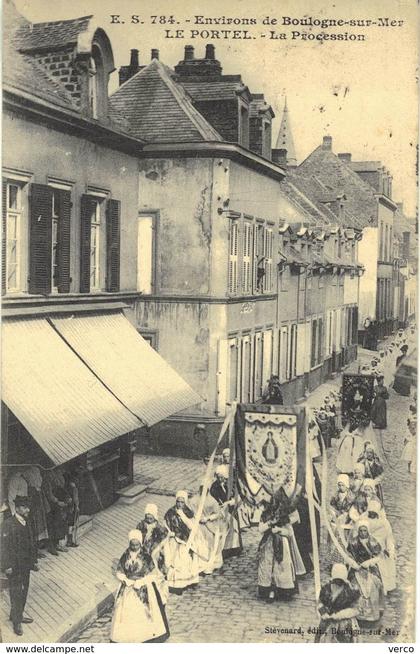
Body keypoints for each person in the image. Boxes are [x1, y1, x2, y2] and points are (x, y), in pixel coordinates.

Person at [110, 529, 169, 643]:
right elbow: (119, 571)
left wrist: (141, 582)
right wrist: (125, 579)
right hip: (128, 588)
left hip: (143, 587)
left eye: (137, 544)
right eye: (132, 544)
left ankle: (145, 635)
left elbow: (153, 574)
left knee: (143, 612)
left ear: (140, 543)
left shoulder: (146, 556)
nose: (135, 546)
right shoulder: (125, 555)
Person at [257, 487, 305, 602]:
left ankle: (282, 589)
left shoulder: (284, 514)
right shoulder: (266, 513)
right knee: (268, 566)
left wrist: (279, 529)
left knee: (282, 566)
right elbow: (260, 528)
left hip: (281, 543)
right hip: (268, 543)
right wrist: (270, 523)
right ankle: (269, 590)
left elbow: (289, 532)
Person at [1, 496, 34, 636]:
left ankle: (17, 615)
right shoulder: (8, 524)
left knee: (24, 589)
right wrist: (6, 565)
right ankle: (16, 623)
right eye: (25, 507)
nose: (28, 510)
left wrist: (33, 560)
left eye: (28, 507)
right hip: (14, 566)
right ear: (18, 508)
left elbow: (30, 541)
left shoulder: (26, 522)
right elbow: (3, 547)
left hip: (25, 564)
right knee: (16, 592)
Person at [347, 520, 385, 623]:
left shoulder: (373, 542)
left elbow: (379, 556)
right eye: (361, 531)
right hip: (357, 568)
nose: (363, 533)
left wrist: (369, 562)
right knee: (354, 585)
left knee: (375, 584)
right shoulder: (353, 542)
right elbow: (349, 555)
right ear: (358, 531)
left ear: (368, 531)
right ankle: (357, 613)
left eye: (365, 530)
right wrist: (353, 563)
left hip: (370, 568)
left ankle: (373, 614)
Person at [164, 490, 199, 594]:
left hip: (185, 540)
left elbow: (192, 527)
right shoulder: (170, 512)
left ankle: (188, 581)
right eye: (178, 501)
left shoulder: (188, 512)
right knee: (174, 561)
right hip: (173, 540)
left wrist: (182, 515)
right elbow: (165, 524)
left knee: (185, 561)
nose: (179, 504)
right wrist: (169, 533)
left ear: (185, 502)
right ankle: (176, 585)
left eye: (182, 502)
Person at [315, 563, 360, 643]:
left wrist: (339, 615)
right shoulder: (326, 588)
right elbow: (320, 602)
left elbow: (356, 609)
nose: (337, 582)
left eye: (340, 581)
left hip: (344, 623)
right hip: (327, 621)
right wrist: (323, 613)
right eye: (336, 580)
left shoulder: (350, 591)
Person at [136, 503, 169, 603]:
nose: (149, 519)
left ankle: (159, 595)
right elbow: (137, 536)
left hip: (156, 552)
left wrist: (157, 550)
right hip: (144, 551)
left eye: (151, 517)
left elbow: (163, 541)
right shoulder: (141, 525)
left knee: (157, 573)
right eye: (147, 517)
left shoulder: (160, 528)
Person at [363, 499, 396, 595]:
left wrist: (390, 549)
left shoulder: (384, 523)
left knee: (384, 563)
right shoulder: (363, 519)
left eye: (374, 513)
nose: (372, 514)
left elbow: (389, 537)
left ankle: (385, 585)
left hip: (380, 549)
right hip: (366, 546)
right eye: (370, 512)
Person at [210, 465, 242, 559]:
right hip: (221, 512)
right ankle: (224, 550)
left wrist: (229, 503)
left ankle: (234, 549)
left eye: (222, 477)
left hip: (232, 510)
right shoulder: (214, 487)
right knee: (224, 530)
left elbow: (238, 497)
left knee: (234, 529)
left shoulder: (231, 484)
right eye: (218, 477)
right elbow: (214, 499)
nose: (220, 479)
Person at [189, 487, 224, 574]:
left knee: (209, 541)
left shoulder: (212, 501)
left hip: (209, 525)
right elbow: (190, 511)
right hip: (198, 525)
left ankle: (210, 563)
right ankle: (199, 564)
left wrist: (208, 518)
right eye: (202, 489)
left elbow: (218, 513)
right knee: (198, 542)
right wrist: (196, 518)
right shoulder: (194, 500)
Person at [22, 467, 49, 561]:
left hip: (38, 512)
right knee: (34, 531)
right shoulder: (32, 490)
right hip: (33, 513)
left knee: (37, 531)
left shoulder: (38, 489)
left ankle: (37, 551)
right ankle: (34, 554)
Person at [64, 470, 80, 548]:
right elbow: (75, 499)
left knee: (69, 524)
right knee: (72, 525)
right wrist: (77, 506)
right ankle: (71, 541)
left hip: (67, 508)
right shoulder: (74, 489)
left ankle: (69, 541)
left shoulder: (66, 487)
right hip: (73, 508)